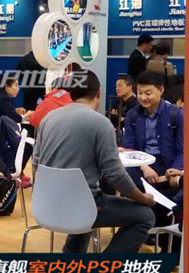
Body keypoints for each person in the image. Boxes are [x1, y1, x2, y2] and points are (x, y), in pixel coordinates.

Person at [33, 70, 155, 259]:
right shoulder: (101, 123)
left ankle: (70, 266)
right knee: (145, 216)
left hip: (44, 205)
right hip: (82, 207)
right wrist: (142, 198)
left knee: (86, 201)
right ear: (98, 92)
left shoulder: (48, 119)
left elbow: (36, 163)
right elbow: (115, 176)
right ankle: (103, 271)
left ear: (71, 93)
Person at [122, 71, 184, 187]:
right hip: (141, 163)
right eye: (139, 93)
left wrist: (173, 172)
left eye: (148, 93)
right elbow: (128, 148)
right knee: (125, 176)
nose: (143, 97)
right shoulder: (133, 114)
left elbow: (182, 150)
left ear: (161, 90)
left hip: (168, 164)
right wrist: (144, 166)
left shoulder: (176, 114)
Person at [0, 78, 34, 187]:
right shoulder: (3, 98)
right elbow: (16, 118)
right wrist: (28, 115)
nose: (18, 89)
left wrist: (15, 111)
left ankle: (19, 173)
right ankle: (14, 175)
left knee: (20, 145)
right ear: (7, 87)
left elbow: (6, 114)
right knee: (26, 147)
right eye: (16, 85)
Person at [109, 75, 139, 140]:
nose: (117, 88)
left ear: (129, 87)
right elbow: (109, 117)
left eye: (120, 85)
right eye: (116, 86)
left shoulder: (137, 103)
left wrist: (116, 117)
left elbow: (129, 123)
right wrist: (120, 118)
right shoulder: (119, 101)